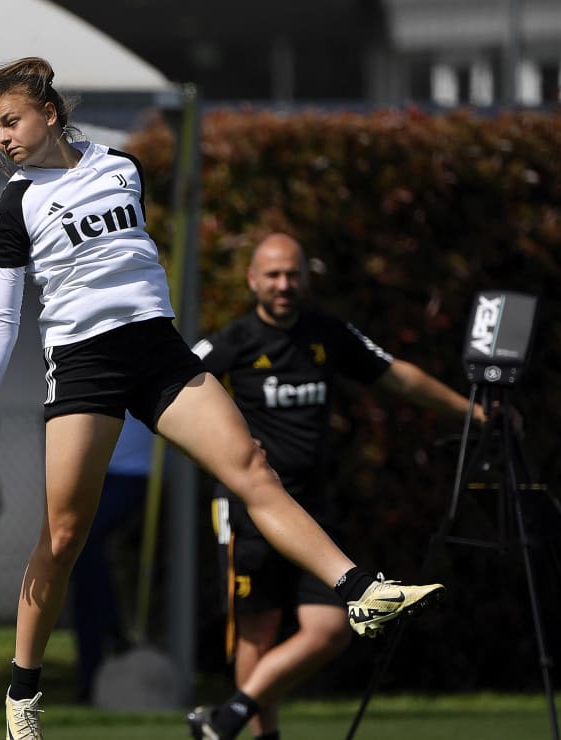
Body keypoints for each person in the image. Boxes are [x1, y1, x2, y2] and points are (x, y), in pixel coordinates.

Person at [0, 57, 443, 740]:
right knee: (65, 533)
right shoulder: (12, 206)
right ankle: (23, 691)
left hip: (159, 351)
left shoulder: (122, 167)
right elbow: (2, 318)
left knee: (252, 467)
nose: (3, 139)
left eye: (11, 121)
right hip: (85, 367)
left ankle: (361, 591)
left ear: (49, 114)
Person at [188, 233, 487, 740]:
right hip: (248, 512)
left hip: (312, 511)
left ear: (306, 277)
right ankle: (257, 732)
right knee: (256, 637)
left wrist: (475, 413)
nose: (284, 285)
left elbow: (400, 378)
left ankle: (227, 718)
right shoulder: (229, 344)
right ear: (253, 280)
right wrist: (219, 451)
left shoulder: (327, 334)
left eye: (293, 274)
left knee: (329, 630)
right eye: (274, 275)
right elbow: (169, 399)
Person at [68, 411, 151, 704]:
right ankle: (90, 676)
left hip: (134, 474)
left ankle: (112, 626)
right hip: (95, 469)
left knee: (85, 546)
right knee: (79, 569)